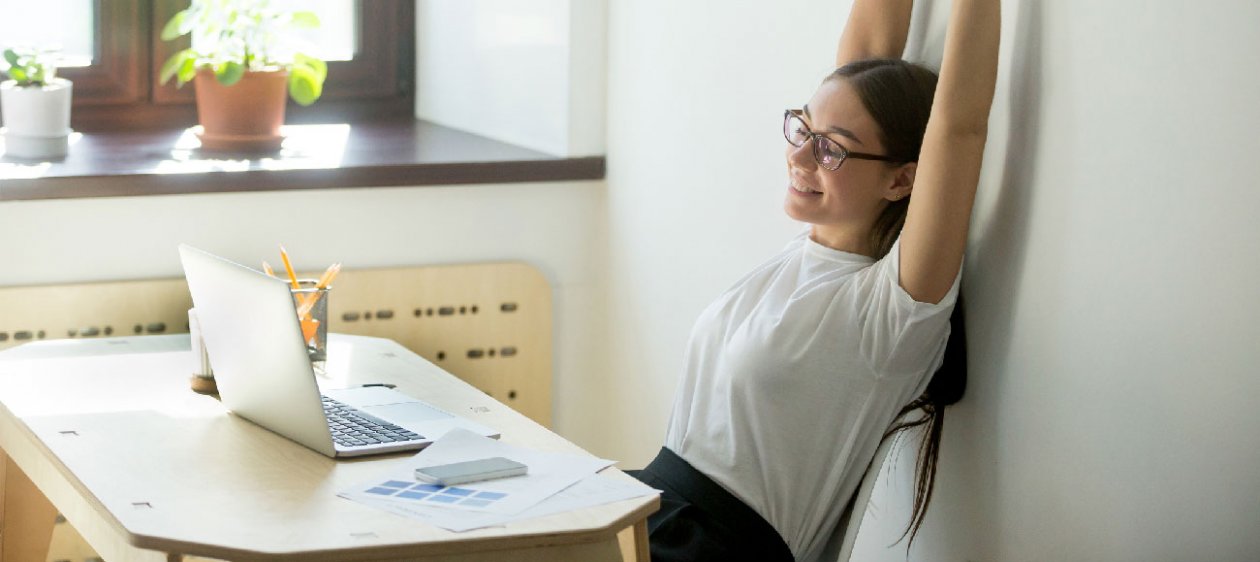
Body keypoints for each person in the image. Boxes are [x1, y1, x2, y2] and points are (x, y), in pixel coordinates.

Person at [629, 0, 1001, 560]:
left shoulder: (890, 312)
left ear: (902, 180)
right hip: (646, 512)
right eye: (803, 126)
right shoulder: (805, 255)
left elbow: (960, 127)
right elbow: (862, 70)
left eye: (829, 149)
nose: (800, 155)